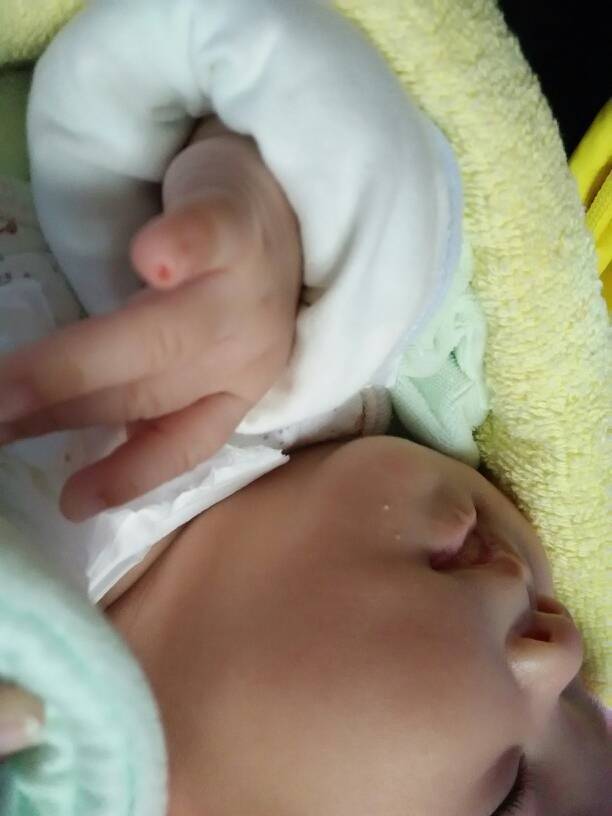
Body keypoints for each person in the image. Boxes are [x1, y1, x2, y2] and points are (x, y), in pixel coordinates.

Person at [0, 0, 610, 812]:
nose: (562, 648)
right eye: (582, 700)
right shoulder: (359, 349)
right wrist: (246, 188)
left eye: (511, 794)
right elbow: (216, 41)